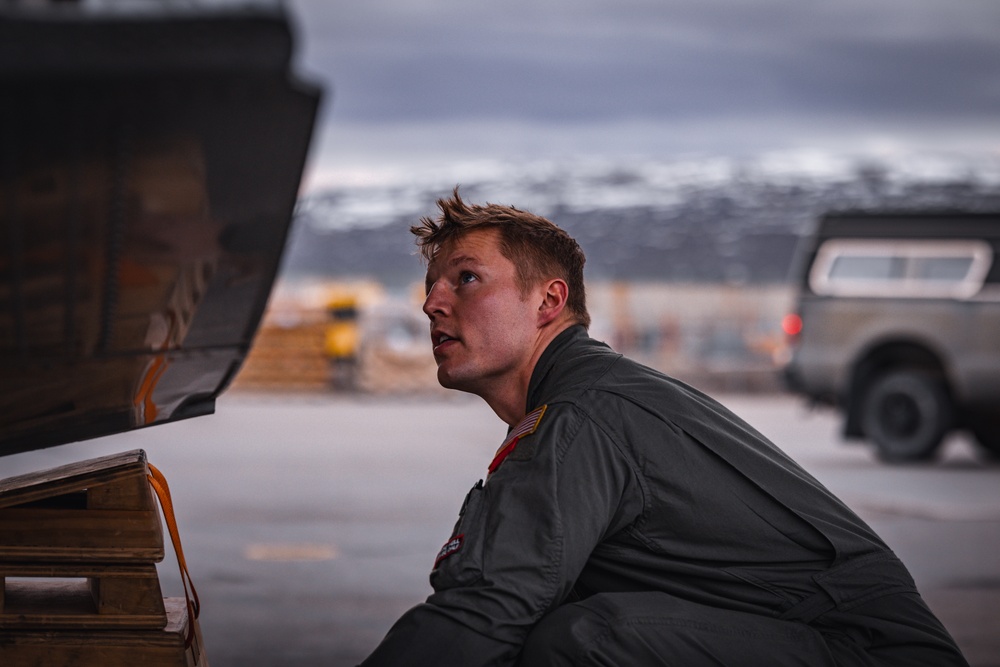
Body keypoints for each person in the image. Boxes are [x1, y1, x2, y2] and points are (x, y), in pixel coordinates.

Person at [359, 189, 968, 666]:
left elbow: (486, 607)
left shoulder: (584, 414)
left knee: (582, 643)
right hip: (818, 643)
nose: (432, 303)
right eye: (431, 285)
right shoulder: (589, 397)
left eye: (465, 278)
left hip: (864, 653)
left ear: (548, 302)